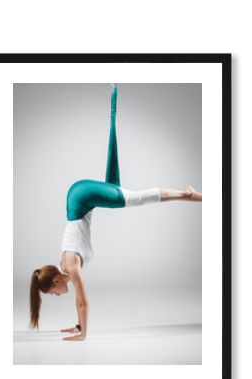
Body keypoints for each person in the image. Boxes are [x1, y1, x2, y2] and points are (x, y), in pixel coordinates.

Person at [29, 84, 202, 341]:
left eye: (52, 294)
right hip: (79, 198)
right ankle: (113, 100)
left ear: (56, 281)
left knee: (136, 199)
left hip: (81, 197)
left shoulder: (71, 266)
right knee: (115, 182)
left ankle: (188, 194)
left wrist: (83, 334)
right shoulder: (66, 267)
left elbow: (83, 302)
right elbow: (78, 301)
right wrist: (77, 325)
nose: (56, 297)